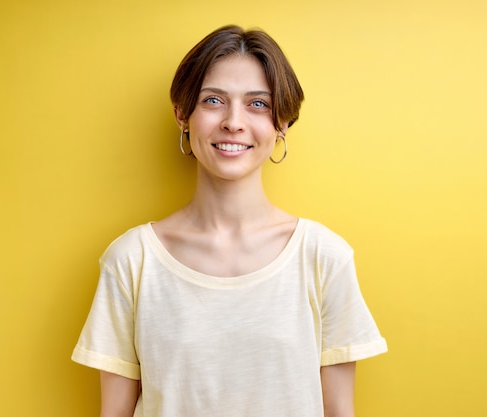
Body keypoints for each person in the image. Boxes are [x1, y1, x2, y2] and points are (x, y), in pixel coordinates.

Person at [72, 25, 387, 417]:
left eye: (258, 104)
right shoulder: (132, 261)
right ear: (182, 115)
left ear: (283, 123)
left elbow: (340, 411)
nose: (233, 122)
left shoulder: (324, 257)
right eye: (213, 101)